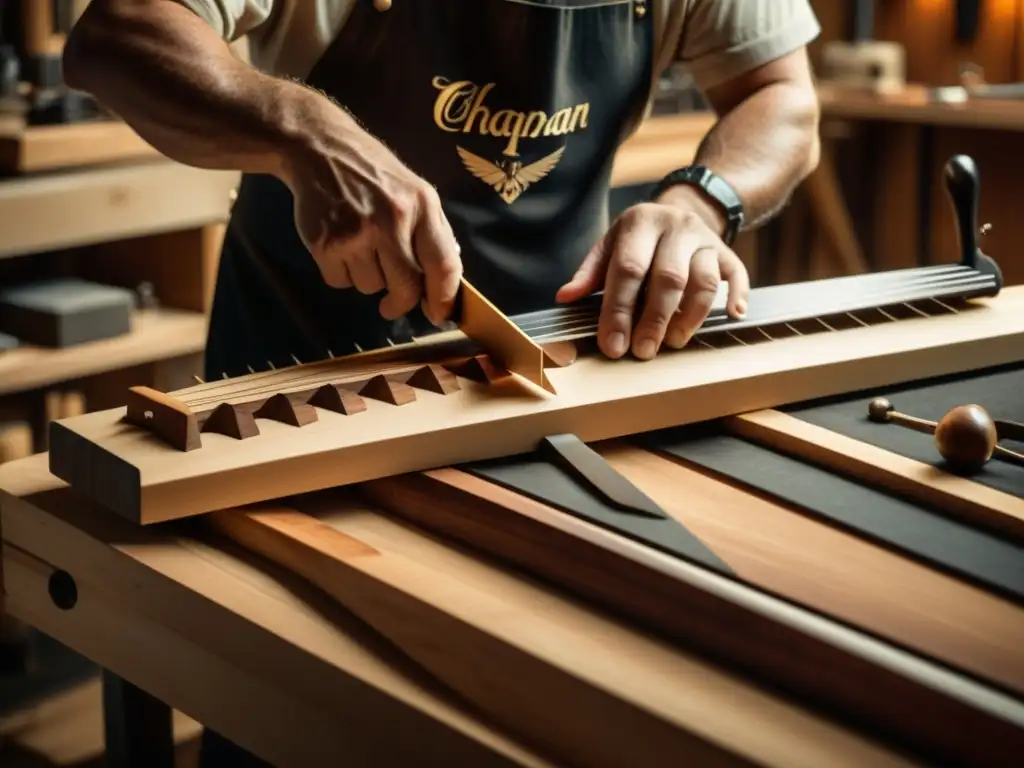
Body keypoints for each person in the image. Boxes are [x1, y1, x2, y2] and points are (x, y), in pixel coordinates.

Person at [63, 0, 821, 763]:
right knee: (283, 704)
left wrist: (701, 201)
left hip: (539, 399)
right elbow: (117, 35)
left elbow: (782, 97)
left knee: (517, 703)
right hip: (294, 408)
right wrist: (299, 129)